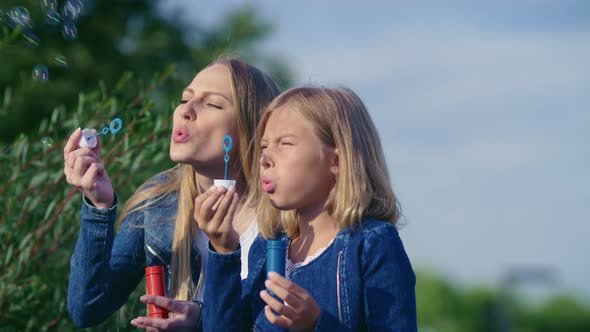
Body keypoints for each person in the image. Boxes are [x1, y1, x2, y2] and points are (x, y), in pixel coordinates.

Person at [63, 57, 281, 330]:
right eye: (183, 99)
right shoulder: (157, 203)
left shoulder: (282, 217)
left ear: (250, 129)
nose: (185, 110)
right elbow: (88, 308)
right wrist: (99, 204)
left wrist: (201, 320)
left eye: (211, 104)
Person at [200, 86, 417, 331]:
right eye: (263, 146)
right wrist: (224, 250)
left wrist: (316, 325)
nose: (265, 158)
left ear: (336, 161)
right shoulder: (265, 247)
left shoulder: (371, 244)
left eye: (285, 143)